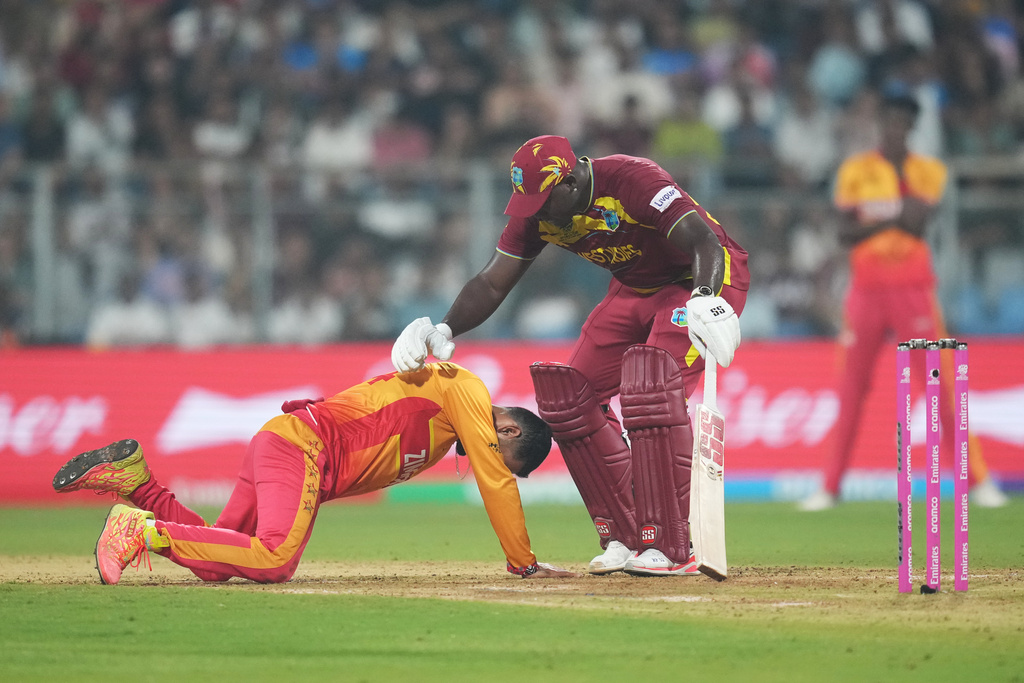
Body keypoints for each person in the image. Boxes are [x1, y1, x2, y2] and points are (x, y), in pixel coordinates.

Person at [392, 135, 748, 576]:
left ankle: (673, 544)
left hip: (699, 279)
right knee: (569, 397)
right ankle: (624, 533)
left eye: (543, 202)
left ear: (570, 182)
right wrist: (444, 328)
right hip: (636, 286)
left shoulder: (633, 179)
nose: (537, 213)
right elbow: (493, 282)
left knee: (651, 389)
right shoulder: (537, 211)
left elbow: (704, 242)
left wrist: (706, 297)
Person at [52, 363, 575, 584]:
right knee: (276, 558)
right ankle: (140, 530)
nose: (487, 463)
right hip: (301, 447)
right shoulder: (465, 389)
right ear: (507, 432)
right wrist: (523, 564)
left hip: (289, 447)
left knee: (217, 560)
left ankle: (138, 485)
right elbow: (495, 484)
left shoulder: (444, 432)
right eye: (500, 456)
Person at [800, 93, 1009, 511]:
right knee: (850, 388)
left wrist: (875, 218)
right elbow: (845, 233)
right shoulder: (856, 170)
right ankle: (829, 487)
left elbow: (917, 226)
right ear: (881, 123)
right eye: (890, 121)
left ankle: (977, 480)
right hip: (865, 290)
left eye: (903, 123)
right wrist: (895, 215)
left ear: (912, 127)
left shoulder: (928, 170)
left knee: (939, 384)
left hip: (913, 290)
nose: (895, 129)